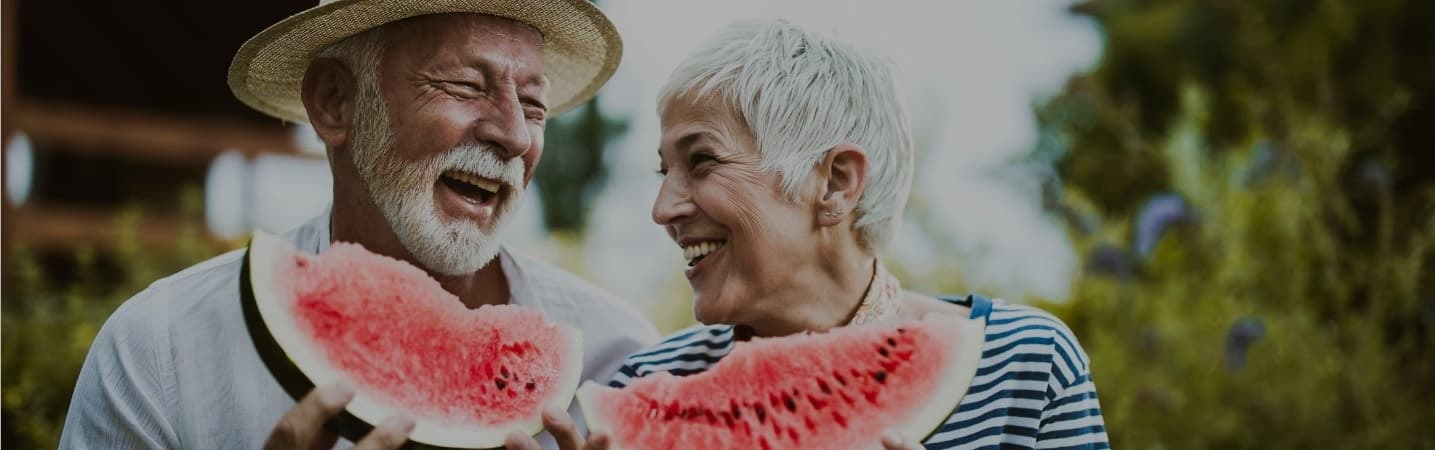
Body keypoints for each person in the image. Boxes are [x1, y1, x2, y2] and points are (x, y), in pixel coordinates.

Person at [58, 1, 657, 449]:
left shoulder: (621, 363)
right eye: (466, 85)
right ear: (334, 102)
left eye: (533, 104)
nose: (514, 135)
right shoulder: (159, 353)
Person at [606, 19, 1110, 449]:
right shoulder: (647, 386)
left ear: (836, 182)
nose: (663, 208)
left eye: (702, 161)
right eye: (663, 172)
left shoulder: (1025, 365)